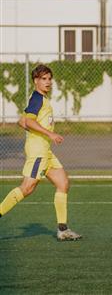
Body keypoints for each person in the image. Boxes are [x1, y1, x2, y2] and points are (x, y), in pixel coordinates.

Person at [0, 64, 81, 241]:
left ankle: (63, 230)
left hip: (46, 151)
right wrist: (50, 133)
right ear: (36, 81)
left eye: (49, 79)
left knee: (63, 183)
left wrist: (30, 124)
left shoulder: (40, 99)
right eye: (44, 79)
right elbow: (28, 122)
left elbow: (23, 121)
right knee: (27, 188)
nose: (48, 82)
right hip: (38, 150)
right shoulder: (37, 98)